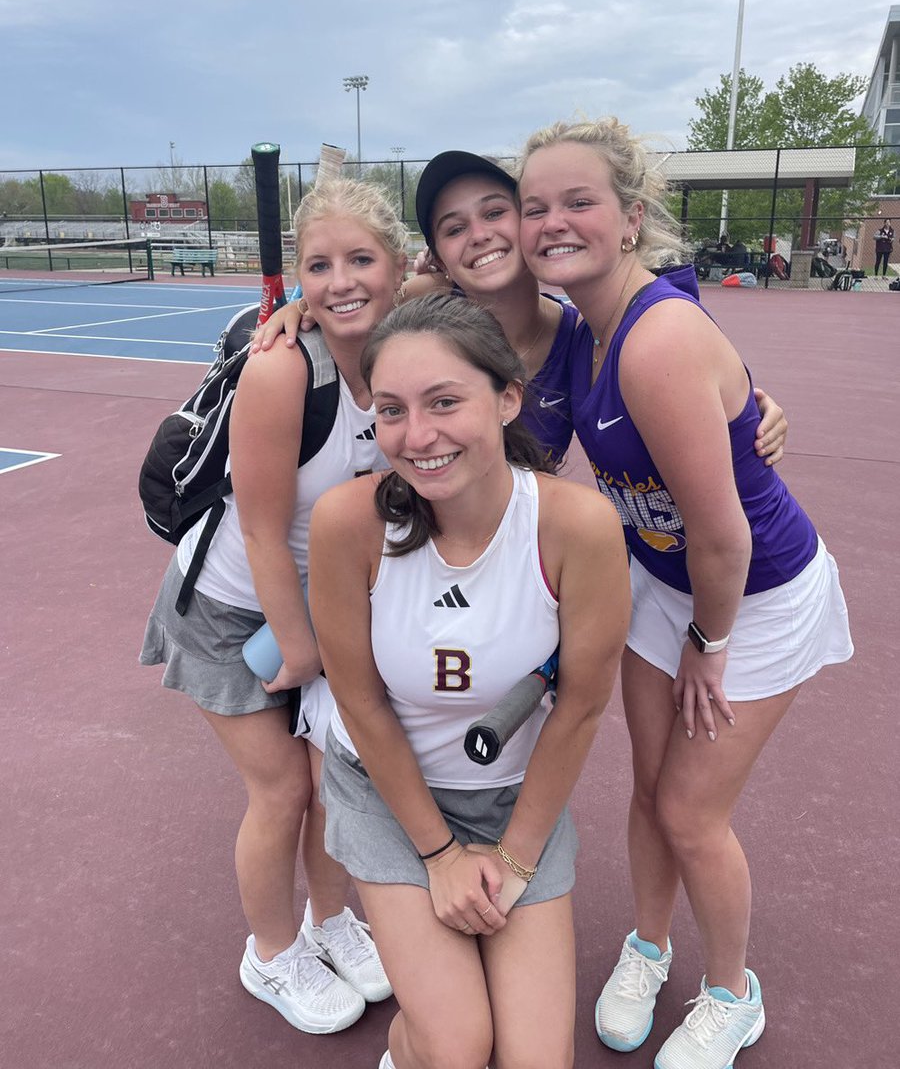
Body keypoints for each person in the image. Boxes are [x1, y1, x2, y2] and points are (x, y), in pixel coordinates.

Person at [516, 118, 854, 1069]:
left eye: (578, 202)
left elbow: (723, 536)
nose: (553, 222)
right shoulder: (587, 323)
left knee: (691, 813)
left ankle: (731, 993)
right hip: (665, 582)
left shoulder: (653, 340)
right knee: (649, 792)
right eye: (536, 206)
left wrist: (711, 645)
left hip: (752, 594)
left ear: (629, 218)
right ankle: (648, 947)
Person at [308, 293, 631, 1069]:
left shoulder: (574, 526)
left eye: (445, 401)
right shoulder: (347, 524)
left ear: (508, 397)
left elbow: (581, 706)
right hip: (389, 798)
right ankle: (407, 1047)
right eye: (392, 410)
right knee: (455, 1049)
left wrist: (513, 859)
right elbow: (359, 701)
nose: (417, 436)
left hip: (517, 802)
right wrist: (440, 856)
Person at [140, 179, 404, 1034]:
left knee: (337, 786)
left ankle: (331, 923)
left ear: (397, 269)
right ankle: (272, 952)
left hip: (323, 610)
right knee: (285, 788)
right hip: (229, 613)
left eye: (361, 259)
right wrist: (299, 654)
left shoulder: (406, 345)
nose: (341, 281)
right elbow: (258, 532)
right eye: (318, 265)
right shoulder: (284, 367)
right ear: (297, 277)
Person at [253, 152, 789, 469]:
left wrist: (753, 410)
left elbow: (691, 365)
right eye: (455, 227)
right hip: (415, 541)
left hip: (521, 557)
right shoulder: (425, 311)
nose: (480, 235)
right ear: (438, 256)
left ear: (528, 221)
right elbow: (352, 299)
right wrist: (298, 311)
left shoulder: (584, 338)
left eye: (495, 212)